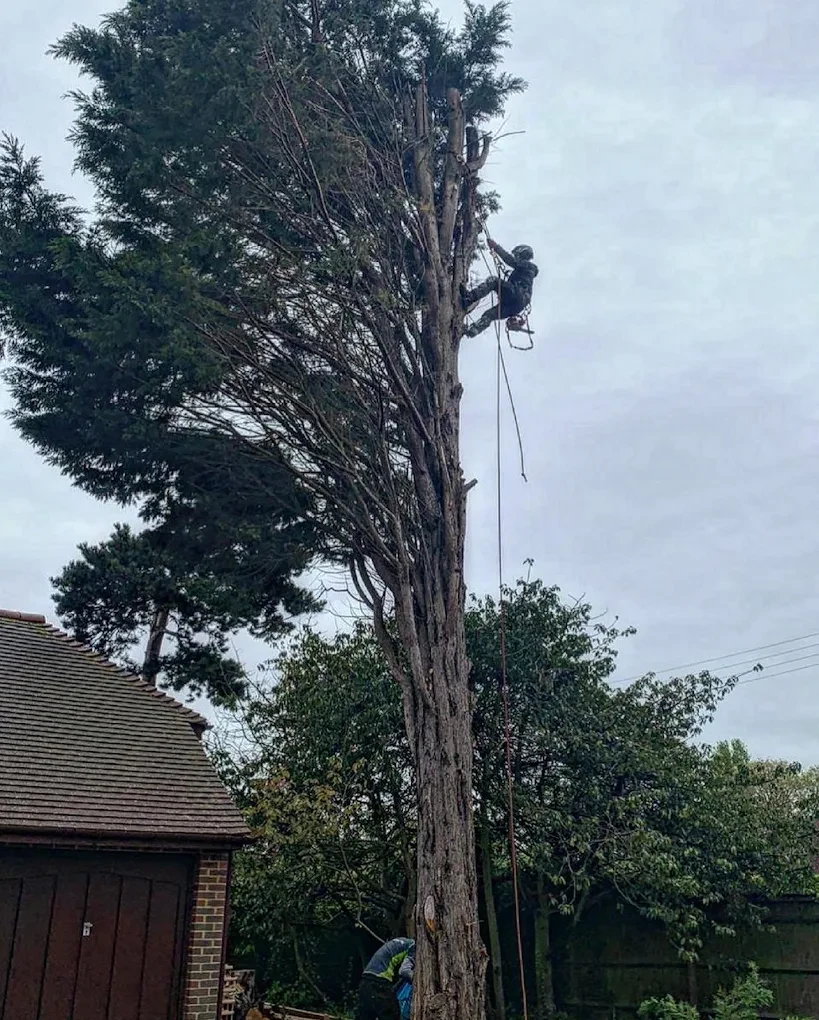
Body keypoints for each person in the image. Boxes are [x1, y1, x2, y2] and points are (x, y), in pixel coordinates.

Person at [462, 239, 538, 338]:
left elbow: (511, 260)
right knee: (490, 314)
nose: (516, 257)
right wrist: (514, 317)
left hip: (517, 294)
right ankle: (474, 330)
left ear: (522, 254)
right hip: (517, 305)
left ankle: (470, 297)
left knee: (494, 281)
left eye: (517, 255)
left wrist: (496, 247)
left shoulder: (529, 266)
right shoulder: (524, 272)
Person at [355, 938, 415, 1020]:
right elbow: (404, 971)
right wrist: (416, 981)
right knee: (392, 1015)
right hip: (379, 983)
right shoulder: (413, 947)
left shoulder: (403, 941)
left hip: (365, 982)